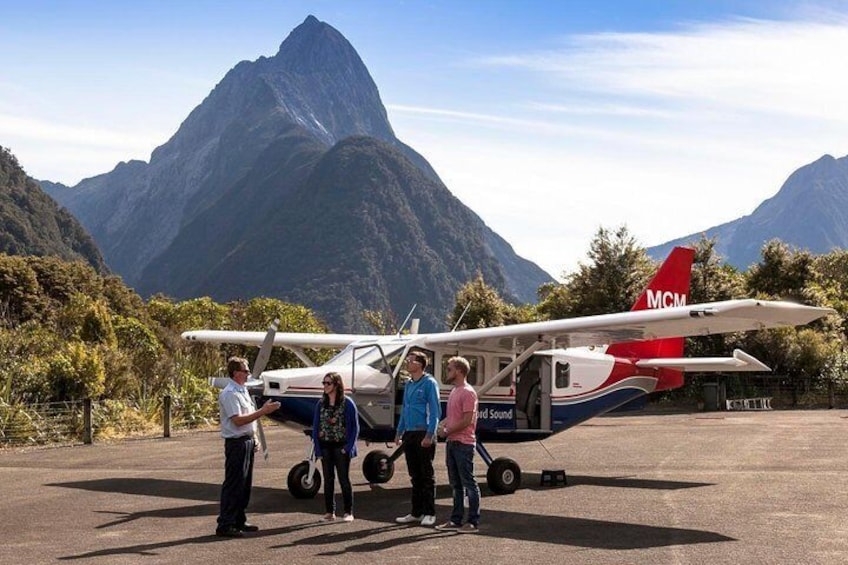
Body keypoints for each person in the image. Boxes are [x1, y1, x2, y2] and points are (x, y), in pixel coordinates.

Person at [216, 356, 281, 537]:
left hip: (246, 440)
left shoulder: (242, 390)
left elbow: (247, 418)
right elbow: (237, 420)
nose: (248, 374)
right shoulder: (229, 393)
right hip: (236, 442)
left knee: (245, 484)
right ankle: (225, 523)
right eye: (245, 371)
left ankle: (239, 519)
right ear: (236, 373)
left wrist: (255, 438)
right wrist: (263, 412)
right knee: (234, 483)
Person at [394, 350, 441, 527]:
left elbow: (435, 411)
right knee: (415, 475)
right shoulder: (408, 384)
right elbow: (405, 409)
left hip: (424, 433)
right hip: (410, 433)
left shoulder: (429, 383)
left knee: (426, 474)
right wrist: (399, 431)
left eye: (411, 360)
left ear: (420, 364)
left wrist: (430, 434)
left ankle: (430, 512)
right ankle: (416, 512)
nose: (407, 362)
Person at [435, 356, 481, 533]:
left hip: (464, 443)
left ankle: (472, 522)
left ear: (459, 371)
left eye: (449, 369)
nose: (447, 371)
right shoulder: (455, 391)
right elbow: (455, 418)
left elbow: (467, 420)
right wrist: (443, 427)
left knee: (469, 483)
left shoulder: (468, 392)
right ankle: (455, 520)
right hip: (453, 443)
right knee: (456, 484)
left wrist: (446, 431)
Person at [311, 371, 360, 522]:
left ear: (336, 385)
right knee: (328, 479)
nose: (325, 386)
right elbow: (316, 427)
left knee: (344, 479)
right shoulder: (321, 404)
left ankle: (348, 512)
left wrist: (348, 447)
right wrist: (318, 449)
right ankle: (329, 512)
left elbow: (355, 427)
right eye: (324, 383)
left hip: (341, 447)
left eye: (328, 383)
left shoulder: (348, 403)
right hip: (326, 446)